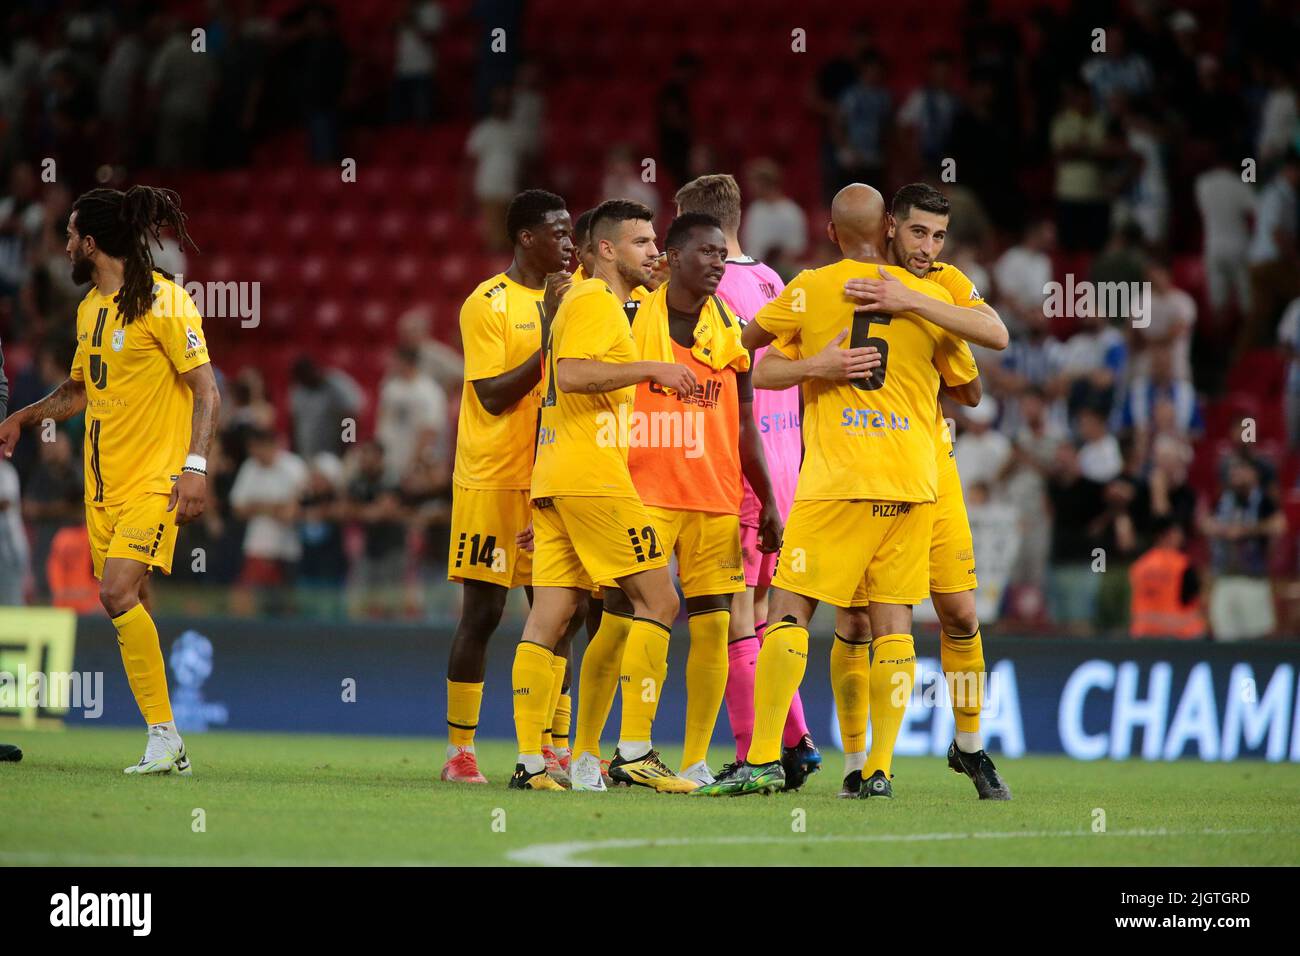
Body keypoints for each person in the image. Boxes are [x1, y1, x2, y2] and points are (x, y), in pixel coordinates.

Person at [697, 184, 978, 799]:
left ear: (829, 233)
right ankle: (878, 771)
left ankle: (767, 757)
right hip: (912, 483)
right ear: (889, 232)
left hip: (834, 481)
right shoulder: (931, 298)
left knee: (789, 611)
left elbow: (746, 357)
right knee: (893, 624)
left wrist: (814, 369)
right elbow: (972, 388)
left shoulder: (809, 287)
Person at [781, 182, 1013, 799]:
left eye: (938, 235)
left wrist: (913, 302)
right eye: (917, 232)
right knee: (856, 623)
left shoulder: (942, 281)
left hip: (934, 469)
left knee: (961, 614)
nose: (928, 246)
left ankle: (969, 748)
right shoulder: (840, 286)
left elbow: (992, 337)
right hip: (866, 468)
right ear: (889, 228)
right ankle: (859, 765)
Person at [0, 185, 221, 775]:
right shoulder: (91, 309)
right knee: (133, 601)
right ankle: (168, 741)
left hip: (156, 480)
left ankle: (164, 736)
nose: (65, 245)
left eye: (70, 236)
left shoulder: (166, 303)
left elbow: (207, 391)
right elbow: (78, 390)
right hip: (103, 489)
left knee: (116, 593)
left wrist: (194, 467)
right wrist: (24, 416)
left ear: (90, 243)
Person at [566, 213, 781, 792]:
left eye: (722, 252)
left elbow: (744, 426)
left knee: (712, 630)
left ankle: (693, 761)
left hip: (715, 497)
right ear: (674, 256)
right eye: (707, 252)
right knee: (617, 620)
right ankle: (590, 754)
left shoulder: (732, 328)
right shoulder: (632, 315)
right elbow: (581, 379)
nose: (718, 262)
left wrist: (767, 501)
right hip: (642, 491)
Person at [511, 198, 696, 792]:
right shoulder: (593, 300)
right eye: (643, 243)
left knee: (550, 617)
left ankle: (532, 764)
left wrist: (647, 306)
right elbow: (571, 373)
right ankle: (637, 751)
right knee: (660, 602)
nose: (656, 252)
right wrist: (650, 370)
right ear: (608, 249)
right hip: (593, 476)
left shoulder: (601, 302)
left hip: (558, 477)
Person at [674, 173, 820, 789]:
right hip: (784, 458)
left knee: (736, 614)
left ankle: (747, 755)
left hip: (740, 459)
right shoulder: (773, 281)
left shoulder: (712, 286)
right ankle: (798, 739)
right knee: (760, 613)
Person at [444, 189, 581, 786]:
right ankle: (461, 752)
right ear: (527, 238)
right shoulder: (488, 303)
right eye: (559, 232)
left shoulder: (576, 298)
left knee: (559, 614)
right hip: (492, 478)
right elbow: (492, 395)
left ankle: (553, 749)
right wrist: (548, 334)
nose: (570, 244)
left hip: (551, 474)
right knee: (484, 613)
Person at [1128, 517, 1205, 640]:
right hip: (1178, 633)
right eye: (1177, 533)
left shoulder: (1139, 565)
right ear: (1164, 535)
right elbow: (1194, 598)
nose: (1181, 537)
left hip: (1143, 632)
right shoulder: (1182, 564)